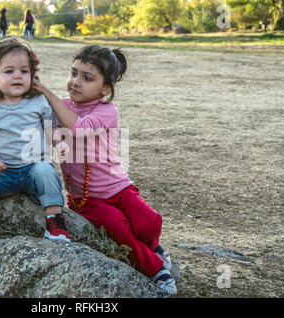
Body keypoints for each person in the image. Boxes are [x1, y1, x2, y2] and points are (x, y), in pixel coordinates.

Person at [33, 45, 177, 295]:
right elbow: (53, 131)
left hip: (119, 187)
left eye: (87, 78)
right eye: (73, 73)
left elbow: (79, 128)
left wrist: (46, 91)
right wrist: (54, 133)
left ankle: (154, 247)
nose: (75, 82)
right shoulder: (61, 107)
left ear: (106, 89)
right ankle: (155, 269)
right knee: (119, 227)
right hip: (88, 199)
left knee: (149, 222)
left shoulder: (107, 111)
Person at [0, 38, 70, 258]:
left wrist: (59, 142)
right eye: (9, 71)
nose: (18, 76)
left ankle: (54, 221)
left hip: (33, 169)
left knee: (46, 171)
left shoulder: (38, 101)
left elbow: (51, 128)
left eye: (24, 71)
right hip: (3, 172)